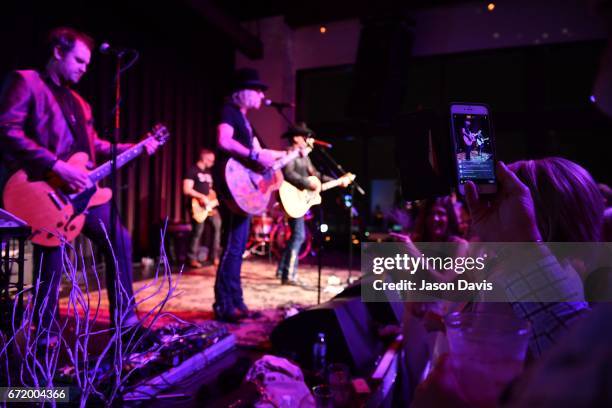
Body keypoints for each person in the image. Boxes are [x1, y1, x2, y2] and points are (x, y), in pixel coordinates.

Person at [0, 27, 159, 334]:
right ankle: (45, 338)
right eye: (79, 60)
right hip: (44, 189)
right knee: (52, 262)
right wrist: (57, 166)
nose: (85, 67)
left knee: (119, 240)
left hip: (85, 194)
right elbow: (8, 130)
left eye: (87, 63)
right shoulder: (27, 81)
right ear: (58, 53)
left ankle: (126, 323)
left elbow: (94, 146)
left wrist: (136, 147)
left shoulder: (80, 102)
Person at [212, 68, 286, 322]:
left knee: (238, 244)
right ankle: (224, 304)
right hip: (230, 183)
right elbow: (224, 140)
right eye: (256, 90)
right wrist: (255, 156)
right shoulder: (229, 111)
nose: (260, 95)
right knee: (233, 245)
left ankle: (236, 300)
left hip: (242, 186)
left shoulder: (246, 121)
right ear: (242, 92)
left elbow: (260, 152)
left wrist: (290, 154)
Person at [275, 123, 349, 285]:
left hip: (300, 198)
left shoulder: (305, 157)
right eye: (305, 137)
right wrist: (307, 184)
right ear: (295, 138)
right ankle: (288, 275)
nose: (308, 140)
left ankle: (282, 270)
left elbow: (315, 175)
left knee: (296, 235)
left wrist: (337, 181)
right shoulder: (290, 154)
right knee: (299, 235)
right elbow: (289, 174)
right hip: (292, 197)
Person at [183, 148, 221, 268]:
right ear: (204, 158)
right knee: (197, 231)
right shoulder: (192, 171)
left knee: (217, 227)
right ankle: (191, 258)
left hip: (209, 206)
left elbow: (209, 190)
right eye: (211, 160)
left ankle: (215, 256)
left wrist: (212, 197)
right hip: (197, 206)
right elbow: (186, 189)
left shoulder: (208, 172)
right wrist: (201, 197)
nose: (212, 163)